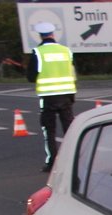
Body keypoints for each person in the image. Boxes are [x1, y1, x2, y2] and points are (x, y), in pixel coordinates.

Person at [26, 21, 77, 172]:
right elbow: (73, 72)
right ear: (53, 34)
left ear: (40, 36)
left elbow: (31, 76)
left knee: (49, 130)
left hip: (48, 97)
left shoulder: (38, 52)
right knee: (69, 129)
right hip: (67, 95)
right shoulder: (66, 51)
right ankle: (74, 159)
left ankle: (52, 162)